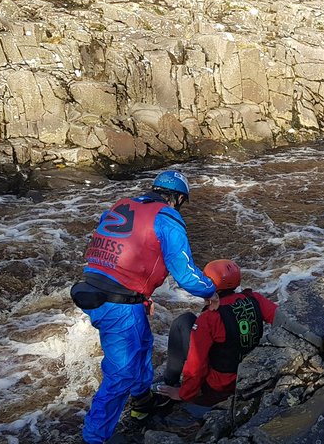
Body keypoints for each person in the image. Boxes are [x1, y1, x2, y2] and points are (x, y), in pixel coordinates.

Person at [70, 170, 219, 444]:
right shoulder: (167, 218)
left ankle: (141, 403)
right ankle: (94, 438)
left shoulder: (122, 205)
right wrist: (211, 291)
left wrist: (141, 295)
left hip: (98, 289)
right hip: (118, 304)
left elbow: (115, 251)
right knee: (121, 373)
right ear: (177, 198)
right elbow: (184, 273)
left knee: (141, 345)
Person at [153, 260, 324, 408]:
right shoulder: (255, 299)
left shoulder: (209, 318)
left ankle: (169, 384)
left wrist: (184, 394)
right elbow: (284, 320)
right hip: (246, 374)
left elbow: (196, 364)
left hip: (218, 386)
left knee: (183, 322)